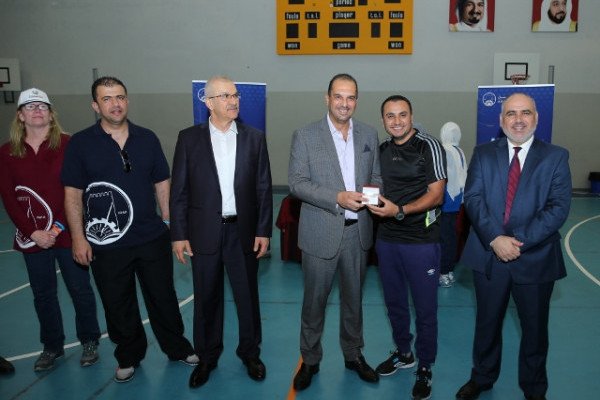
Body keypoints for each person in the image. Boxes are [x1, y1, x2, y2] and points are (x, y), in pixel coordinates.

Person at [61, 77, 197, 383]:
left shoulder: (146, 138)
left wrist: (171, 225)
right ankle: (128, 356)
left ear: (128, 101)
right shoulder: (80, 144)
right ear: (95, 106)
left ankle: (177, 347)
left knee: (163, 297)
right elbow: (72, 194)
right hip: (107, 243)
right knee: (117, 302)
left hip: (150, 237)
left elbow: (162, 183)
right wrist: (78, 238)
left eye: (120, 97)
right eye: (107, 99)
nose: (115, 104)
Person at [455, 93, 571, 400]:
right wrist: (495, 239)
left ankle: (534, 388)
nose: (518, 120)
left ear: (536, 117)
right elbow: (473, 198)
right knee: (487, 323)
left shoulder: (556, 157)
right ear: (501, 119)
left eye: (525, 113)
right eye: (511, 113)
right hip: (489, 255)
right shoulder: (483, 153)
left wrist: (517, 242)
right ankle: (482, 377)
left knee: (535, 329)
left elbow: (558, 208)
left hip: (535, 258)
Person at [170, 75, 273, 388]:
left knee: (247, 297)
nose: (234, 101)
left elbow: (263, 187)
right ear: (208, 102)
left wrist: (263, 230)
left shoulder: (254, 138)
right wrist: (179, 233)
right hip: (204, 232)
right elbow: (179, 191)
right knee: (206, 298)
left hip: (243, 231)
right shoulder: (189, 139)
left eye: (235, 95)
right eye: (226, 96)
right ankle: (207, 357)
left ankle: (250, 352)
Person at [288, 73, 382, 391]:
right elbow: (297, 183)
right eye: (339, 96)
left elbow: (376, 177)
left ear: (356, 100)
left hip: (358, 235)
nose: (344, 103)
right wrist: (337, 197)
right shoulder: (305, 135)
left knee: (354, 303)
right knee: (314, 304)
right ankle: (310, 360)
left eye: (351, 97)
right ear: (327, 98)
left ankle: (353, 355)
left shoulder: (369, 133)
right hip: (320, 234)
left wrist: (373, 198)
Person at [0, 88, 101, 372]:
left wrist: (56, 228)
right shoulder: (7, 152)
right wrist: (32, 232)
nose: (37, 111)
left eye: (42, 106)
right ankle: (52, 346)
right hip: (32, 237)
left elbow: (78, 190)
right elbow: (8, 197)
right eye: (30, 107)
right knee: (43, 294)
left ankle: (89, 341)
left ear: (51, 114)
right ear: (20, 115)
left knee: (80, 289)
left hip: (68, 233)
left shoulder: (69, 145)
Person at [366, 95, 446, 400]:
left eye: (402, 114)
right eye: (390, 116)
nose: (397, 121)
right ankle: (404, 352)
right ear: (383, 120)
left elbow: (437, 194)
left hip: (421, 241)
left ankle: (424, 365)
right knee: (395, 303)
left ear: (411, 116)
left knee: (425, 309)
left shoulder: (429, 146)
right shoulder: (382, 150)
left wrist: (399, 211)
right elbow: (373, 188)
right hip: (387, 239)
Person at [438, 122, 467, 288]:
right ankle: (449, 270)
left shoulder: (446, 150)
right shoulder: (459, 150)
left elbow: (443, 177)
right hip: (456, 200)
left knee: (444, 237)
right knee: (451, 236)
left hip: (446, 200)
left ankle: (443, 272)